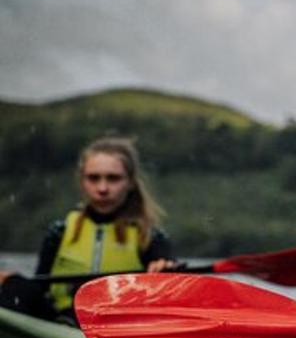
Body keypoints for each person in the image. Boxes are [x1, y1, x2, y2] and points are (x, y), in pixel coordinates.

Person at [0, 136, 175, 324]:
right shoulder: (59, 231)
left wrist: (165, 271)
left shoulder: (150, 237)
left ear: (130, 182)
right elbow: (40, 288)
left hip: (116, 325)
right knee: (13, 285)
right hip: (61, 321)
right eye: (94, 178)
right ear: (82, 181)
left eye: (113, 178)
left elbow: (166, 276)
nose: (102, 188)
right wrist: (12, 283)